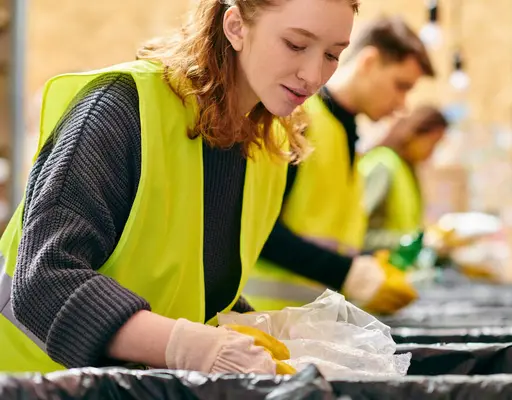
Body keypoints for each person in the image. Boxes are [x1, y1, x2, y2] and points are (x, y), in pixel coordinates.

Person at [0, 0, 357, 374]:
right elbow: (44, 281)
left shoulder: (264, 152)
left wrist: (246, 331)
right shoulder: (121, 109)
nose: (314, 75)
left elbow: (191, 290)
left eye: (333, 55)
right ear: (235, 27)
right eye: (296, 45)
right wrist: (191, 347)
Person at [244, 16, 434, 312]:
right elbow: (258, 229)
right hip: (264, 324)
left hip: (311, 327)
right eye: (400, 85)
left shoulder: (348, 138)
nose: (402, 105)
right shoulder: (297, 119)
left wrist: (368, 261)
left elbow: (329, 236)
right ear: (369, 62)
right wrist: (348, 272)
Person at [360, 105, 448, 235]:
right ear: (414, 133)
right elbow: (359, 231)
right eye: (432, 143)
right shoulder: (383, 166)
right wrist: (408, 242)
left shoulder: (405, 169)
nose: (431, 153)